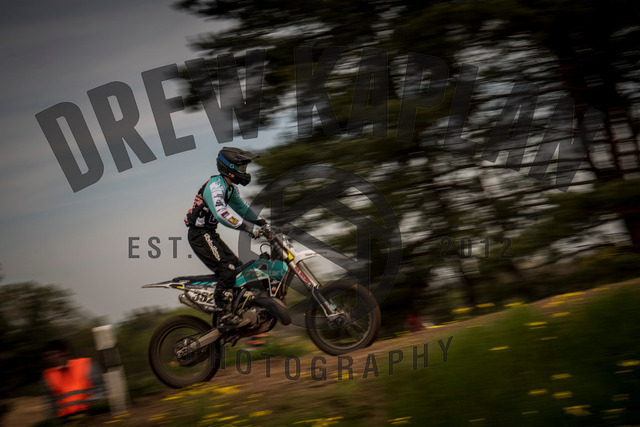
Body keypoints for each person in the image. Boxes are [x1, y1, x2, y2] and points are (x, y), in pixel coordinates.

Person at [184, 146, 267, 328]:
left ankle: (238, 309)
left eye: (245, 168)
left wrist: (264, 224)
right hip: (199, 234)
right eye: (242, 168)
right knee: (227, 269)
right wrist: (247, 228)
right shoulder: (215, 186)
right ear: (229, 167)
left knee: (238, 268)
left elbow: (243, 209)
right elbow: (221, 214)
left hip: (210, 233)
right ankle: (224, 314)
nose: (245, 172)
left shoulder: (229, 188)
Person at [42, 339, 104, 421]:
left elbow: (100, 389)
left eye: (53, 354)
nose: (50, 358)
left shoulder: (86, 364)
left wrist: (94, 407)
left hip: (91, 416)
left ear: (63, 352)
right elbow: (51, 402)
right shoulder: (48, 375)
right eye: (48, 355)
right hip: (66, 420)